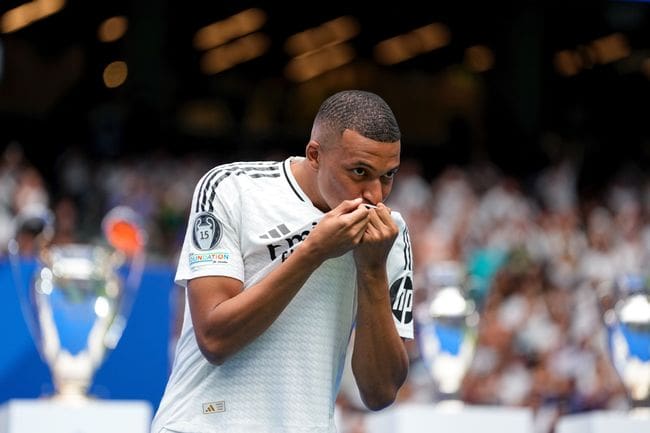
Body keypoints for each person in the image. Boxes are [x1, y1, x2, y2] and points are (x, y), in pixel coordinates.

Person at [151, 90, 414, 433]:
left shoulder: (388, 234)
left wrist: (372, 268)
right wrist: (314, 251)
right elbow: (215, 339)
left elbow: (379, 392)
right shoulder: (231, 188)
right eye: (359, 171)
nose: (374, 195)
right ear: (315, 155)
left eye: (388, 175)